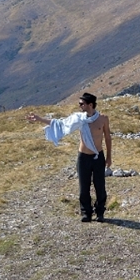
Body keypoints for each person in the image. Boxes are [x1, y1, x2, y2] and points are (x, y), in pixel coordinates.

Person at [26, 93, 112, 222]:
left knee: (100, 186)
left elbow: (107, 137)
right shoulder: (79, 118)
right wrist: (39, 119)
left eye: (81, 104)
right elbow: (60, 124)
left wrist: (109, 157)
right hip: (83, 157)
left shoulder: (103, 119)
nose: (79, 106)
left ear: (90, 104)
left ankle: (100, 212)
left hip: (98, 156)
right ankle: (86, 213)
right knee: (84, 187)